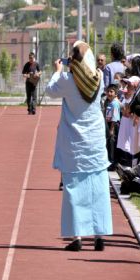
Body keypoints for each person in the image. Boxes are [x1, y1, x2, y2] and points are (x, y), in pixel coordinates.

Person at [45, 40, 113, 252]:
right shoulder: (100, 79)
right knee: (98, 190)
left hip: (74, 143)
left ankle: (77, 238)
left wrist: (58, 70)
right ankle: (99, 236)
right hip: (95, 143)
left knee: (73, 190)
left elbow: (49, 90)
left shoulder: (66, 79)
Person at [104, 83, 121, 171]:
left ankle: (112, 162)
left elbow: (115, 117)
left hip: (113, 125)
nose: (109, 93)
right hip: (109, 124)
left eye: (111, 92)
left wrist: (111, 129)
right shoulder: (109, 102)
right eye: (108, 91)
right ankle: (110, 161)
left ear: (116, 94)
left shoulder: (115, 103)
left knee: (112, 144)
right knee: (109, 144)